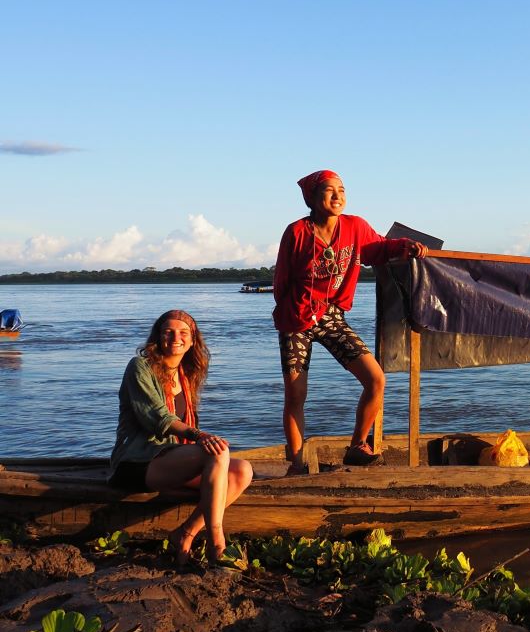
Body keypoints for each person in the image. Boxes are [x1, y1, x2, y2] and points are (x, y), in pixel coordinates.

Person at [273, 169, 427, 472]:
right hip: (296, 318)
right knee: (296, 395)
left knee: (375, 379)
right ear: (313, 198)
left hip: (331, 315)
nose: (337, 196)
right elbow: (281, 281)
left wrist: (406, 245)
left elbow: (378, 247)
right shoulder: (297, 232)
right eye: (329, 191)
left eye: (341, 190)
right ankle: (297, 463)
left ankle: (357, 446)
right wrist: (295, 311)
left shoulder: (355, 226)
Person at [108, 310, 252, 562]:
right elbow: (157, 417)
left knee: (242, 471)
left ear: (193, 339)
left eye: (183, 332)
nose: (176, 337)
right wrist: (199, 436)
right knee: (216, 453)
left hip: (172, 459)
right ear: (158, 337)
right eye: (169, 332)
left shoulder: (187, 373)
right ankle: (217, 541)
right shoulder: (139, 367)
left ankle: (186, 533)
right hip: (137, 462)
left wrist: (199, 440)